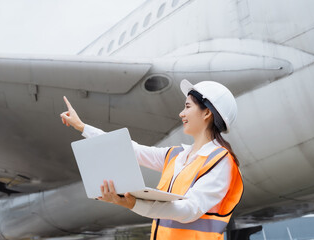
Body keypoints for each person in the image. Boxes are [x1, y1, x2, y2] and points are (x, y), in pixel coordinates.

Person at [60, 79, 243, 240]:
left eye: (187, 107)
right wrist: (83, 127)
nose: (181, 113)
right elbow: (131, 150)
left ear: (206, 113)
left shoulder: (222, 162)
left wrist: (134, 203)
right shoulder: (176, 155)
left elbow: (190, 209)